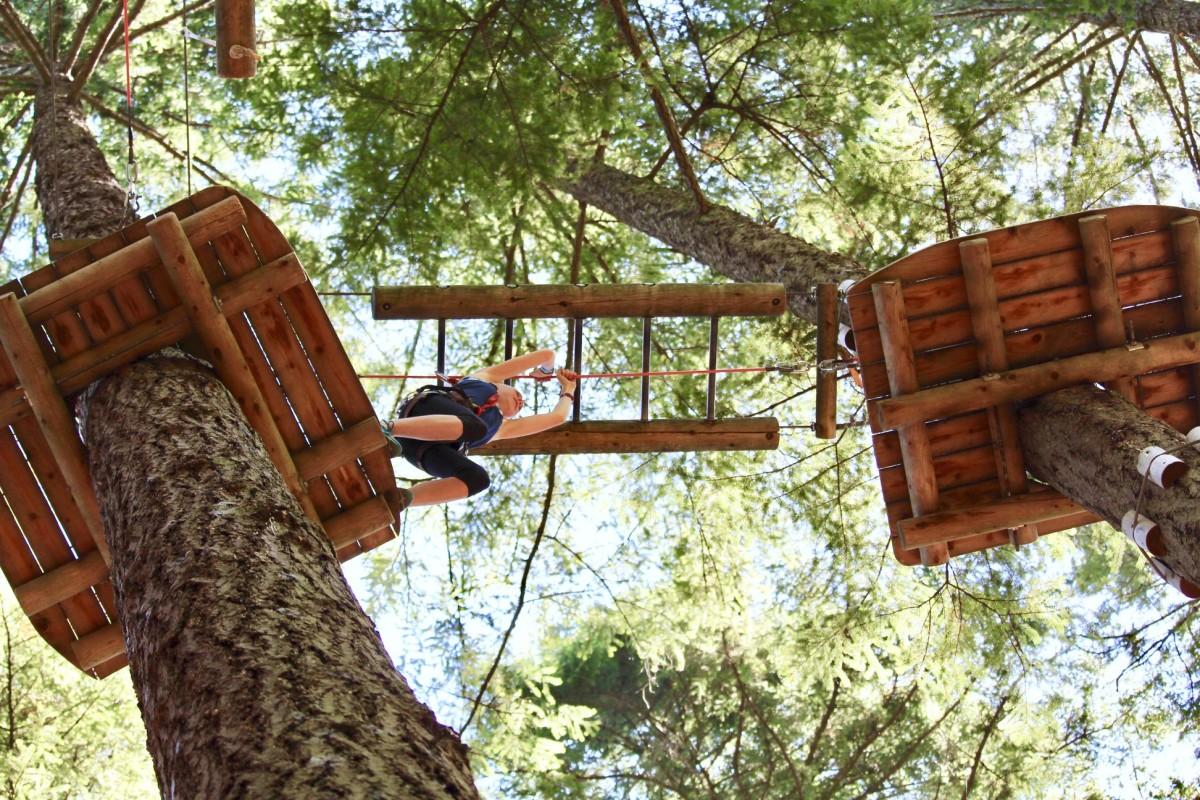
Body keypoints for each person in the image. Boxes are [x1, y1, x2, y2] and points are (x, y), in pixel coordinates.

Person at [383, 348, 578, 507]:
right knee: (476, 427)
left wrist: (567, 389)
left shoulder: (502, 428)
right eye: (518, 393)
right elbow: (547, 355)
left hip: (423, 450)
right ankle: (387, 429)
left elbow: (558, 417)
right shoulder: (484, 377)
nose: (521, 400)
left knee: (479, 479)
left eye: (521, 406)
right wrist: (545, 370)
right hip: (423, 412)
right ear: (501, 384)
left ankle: (401, 500)